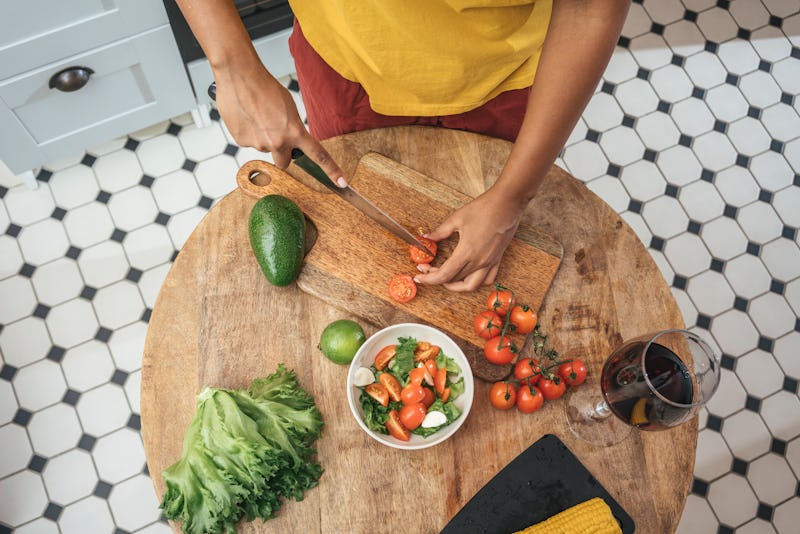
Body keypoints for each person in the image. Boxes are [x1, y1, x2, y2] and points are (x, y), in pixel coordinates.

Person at [175, 0, 631, 291]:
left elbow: (591, 7)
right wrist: (232, 65)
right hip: (345, 62)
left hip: (502, 78)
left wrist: (513, 196)